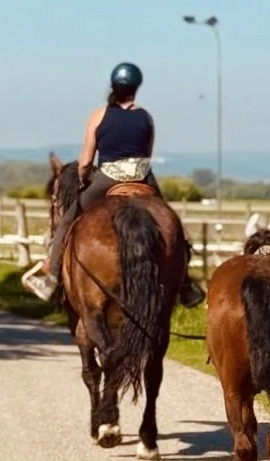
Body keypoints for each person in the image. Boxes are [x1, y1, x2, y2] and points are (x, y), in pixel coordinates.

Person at [22, 62, 205, 307]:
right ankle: (185, 284)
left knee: (67, 220)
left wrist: (84, 180)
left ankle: (52, 278)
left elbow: (86, 161)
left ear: (112, 86)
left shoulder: (99, 115)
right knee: (171, 222)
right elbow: (147, 153)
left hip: (109, 176)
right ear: (136, 88)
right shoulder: (146, 117)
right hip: (142, 176)